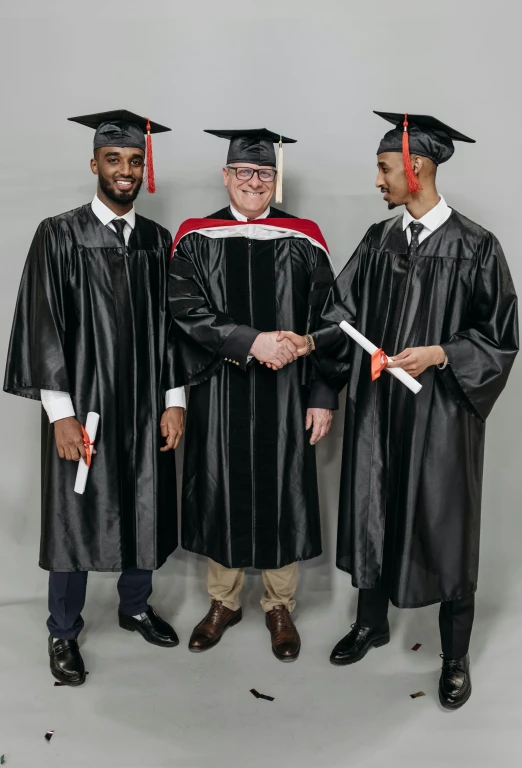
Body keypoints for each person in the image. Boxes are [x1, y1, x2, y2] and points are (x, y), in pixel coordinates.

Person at [279, 112, 518, 708]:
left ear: (416, 168)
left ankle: (455, 655)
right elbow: (342, 314)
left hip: (442, 416)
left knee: (445, 523)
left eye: (385, 169)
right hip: (379, 411)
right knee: (374, 507)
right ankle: (370, 622)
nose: (378, 181)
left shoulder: (476, 246)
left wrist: (441, 352)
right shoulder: (379, 240)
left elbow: (501, 337)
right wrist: (312, 343)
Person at [4, 109, 186, 686]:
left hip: (143, 403)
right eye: (115, 160)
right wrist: (58, 413)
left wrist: (174, 398)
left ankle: (134, 607)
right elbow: (42, 323)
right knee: (75, 515)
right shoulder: (59, 234)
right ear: (95, 165)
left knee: (144, 502)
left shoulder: (159, 242)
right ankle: (63, 629)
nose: (126, 171)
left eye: (135, 161)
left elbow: (174, 329)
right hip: (82, 405)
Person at [168, 128, 337, 661]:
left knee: (283, 488)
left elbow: (331, 320)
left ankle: (278, 604)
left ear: (275, 180)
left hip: (288, 394)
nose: (254, 182)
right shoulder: (195, 238)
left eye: (264, 174)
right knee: (222, 488)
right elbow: (184, 311)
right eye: (244, 172)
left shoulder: (305, 238)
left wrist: (324, 394)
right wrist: (251, 340)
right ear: (226, 177)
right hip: (221, 390)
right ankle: (224, 601)